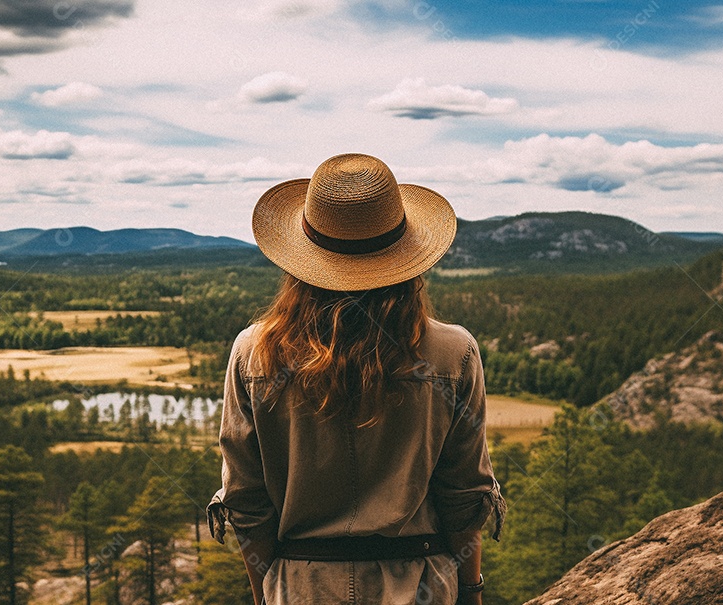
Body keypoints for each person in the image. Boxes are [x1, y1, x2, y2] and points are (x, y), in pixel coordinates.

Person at [207, 153, 507, 604]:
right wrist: (471, 591)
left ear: (302, 263)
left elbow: (246, 503)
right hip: (421, 585)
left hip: (299, 588)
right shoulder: (454, 353)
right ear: (407, 260)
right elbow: (465, 495)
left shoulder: (254, 354)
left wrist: (266, 596)